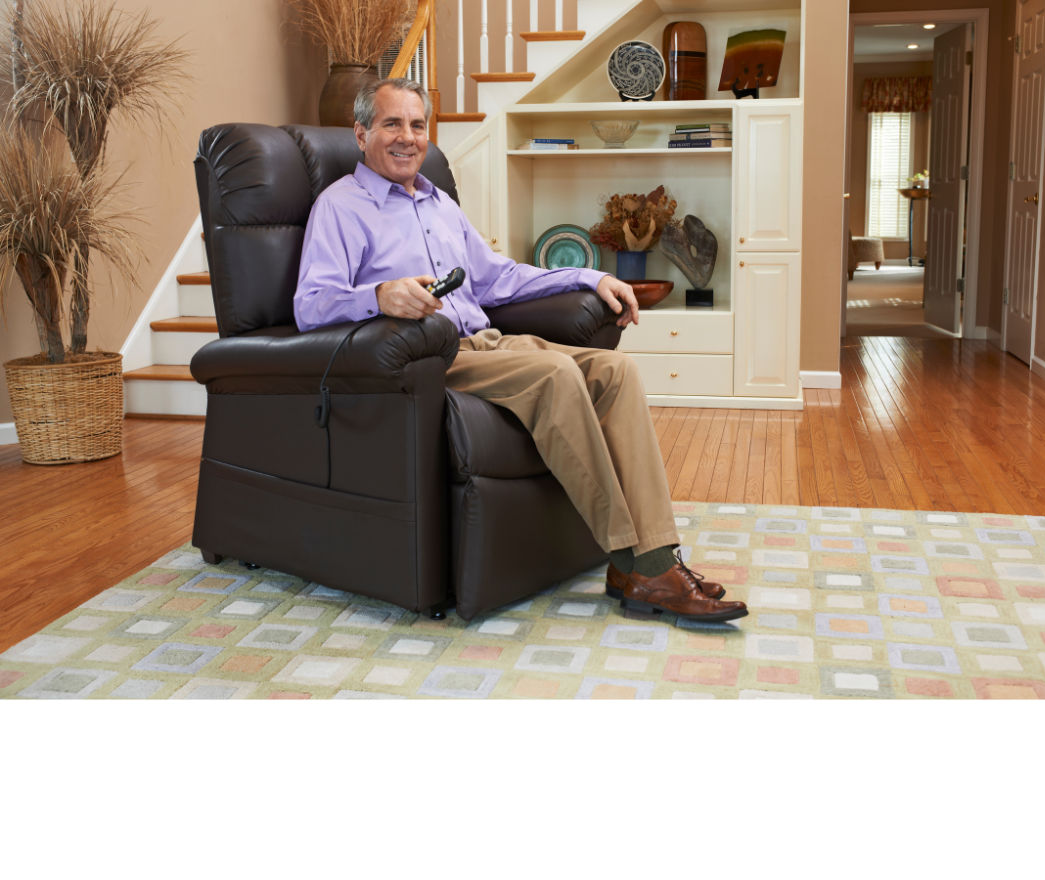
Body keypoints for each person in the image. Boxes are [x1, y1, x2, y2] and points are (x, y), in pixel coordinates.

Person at [294, 78, 747, 623]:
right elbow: (311, 305)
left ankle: (654, 555)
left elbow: (499, 278)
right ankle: (642, 565)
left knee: (615, 370)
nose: (407, 137)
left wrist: (593, 276)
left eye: (417, 125)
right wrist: (379, 296)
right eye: (392, 124)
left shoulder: (438, 204)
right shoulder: (339, 206)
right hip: (429, 358)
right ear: (361, 133)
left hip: (489, 342)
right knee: (554, 374)